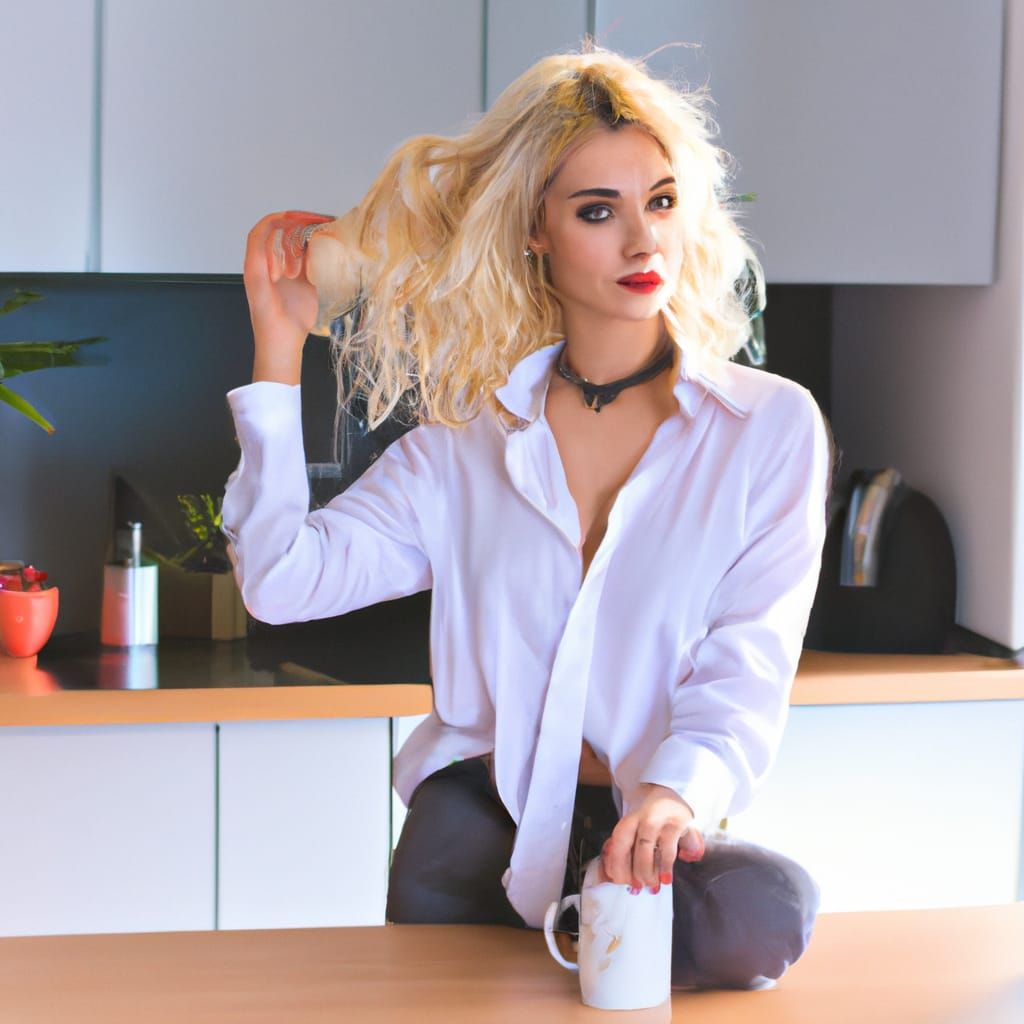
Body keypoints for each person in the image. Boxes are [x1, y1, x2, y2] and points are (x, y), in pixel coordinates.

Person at [222, 48, 831, 991]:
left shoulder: (766, 428)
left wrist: (675, 798)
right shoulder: (465, 443)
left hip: (646, 824)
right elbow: (279, 581)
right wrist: (277, 348)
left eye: (660, 202)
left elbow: (747, 660)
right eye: (599, 210)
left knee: (770, 911)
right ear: (535, 231)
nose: (643, 242)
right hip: (478, 822)